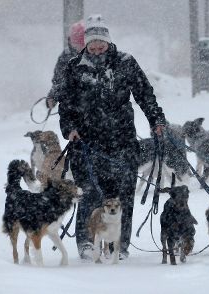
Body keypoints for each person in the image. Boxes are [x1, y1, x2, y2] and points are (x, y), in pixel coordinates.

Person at [53, 14, 166, 260]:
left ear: (107, 41)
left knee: (122, 196)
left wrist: (156, 120)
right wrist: (69, 128)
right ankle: (86, 242)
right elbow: (66, 105)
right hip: (86, 144)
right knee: (89, 193)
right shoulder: (74, 66)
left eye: (100, 42)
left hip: (122, 141)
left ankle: (119, 246)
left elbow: (145, 95)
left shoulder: (125, 62)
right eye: (91, 42)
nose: (96, 47)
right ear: (85, 43)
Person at [46, 21, 85, 109]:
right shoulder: (66, 56)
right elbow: (58, 79)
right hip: (70, 105)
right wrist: (53, 96)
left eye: (82, 45)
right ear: (71, 42)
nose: (79, 49)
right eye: (76, 45)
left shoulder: (95, 55)